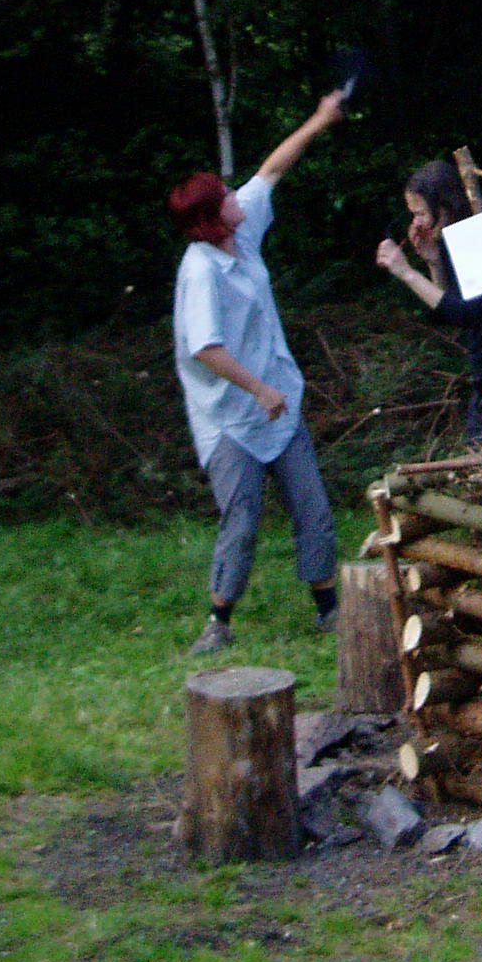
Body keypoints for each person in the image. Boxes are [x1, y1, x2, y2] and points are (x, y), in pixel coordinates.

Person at [168, 92, 346, 657]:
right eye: (224, 198)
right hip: (228, 417)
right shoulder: (201, 270)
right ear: (208, 219)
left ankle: (329, 609)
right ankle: (219, 621)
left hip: (278, 403)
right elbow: (206, 348)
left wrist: (319, 120)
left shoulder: (239, 234)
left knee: (313, 509)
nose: (234, 196)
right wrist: (257, 388)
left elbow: (271, 169)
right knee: (242, 518)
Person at [375, 159, 482, 444]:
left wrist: (406, 272)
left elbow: (465, 313)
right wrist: (433, 263)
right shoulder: (460, 240)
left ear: (444, 207)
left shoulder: (478, 237)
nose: (416, 222)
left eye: (420, 213)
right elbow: (450, 313)